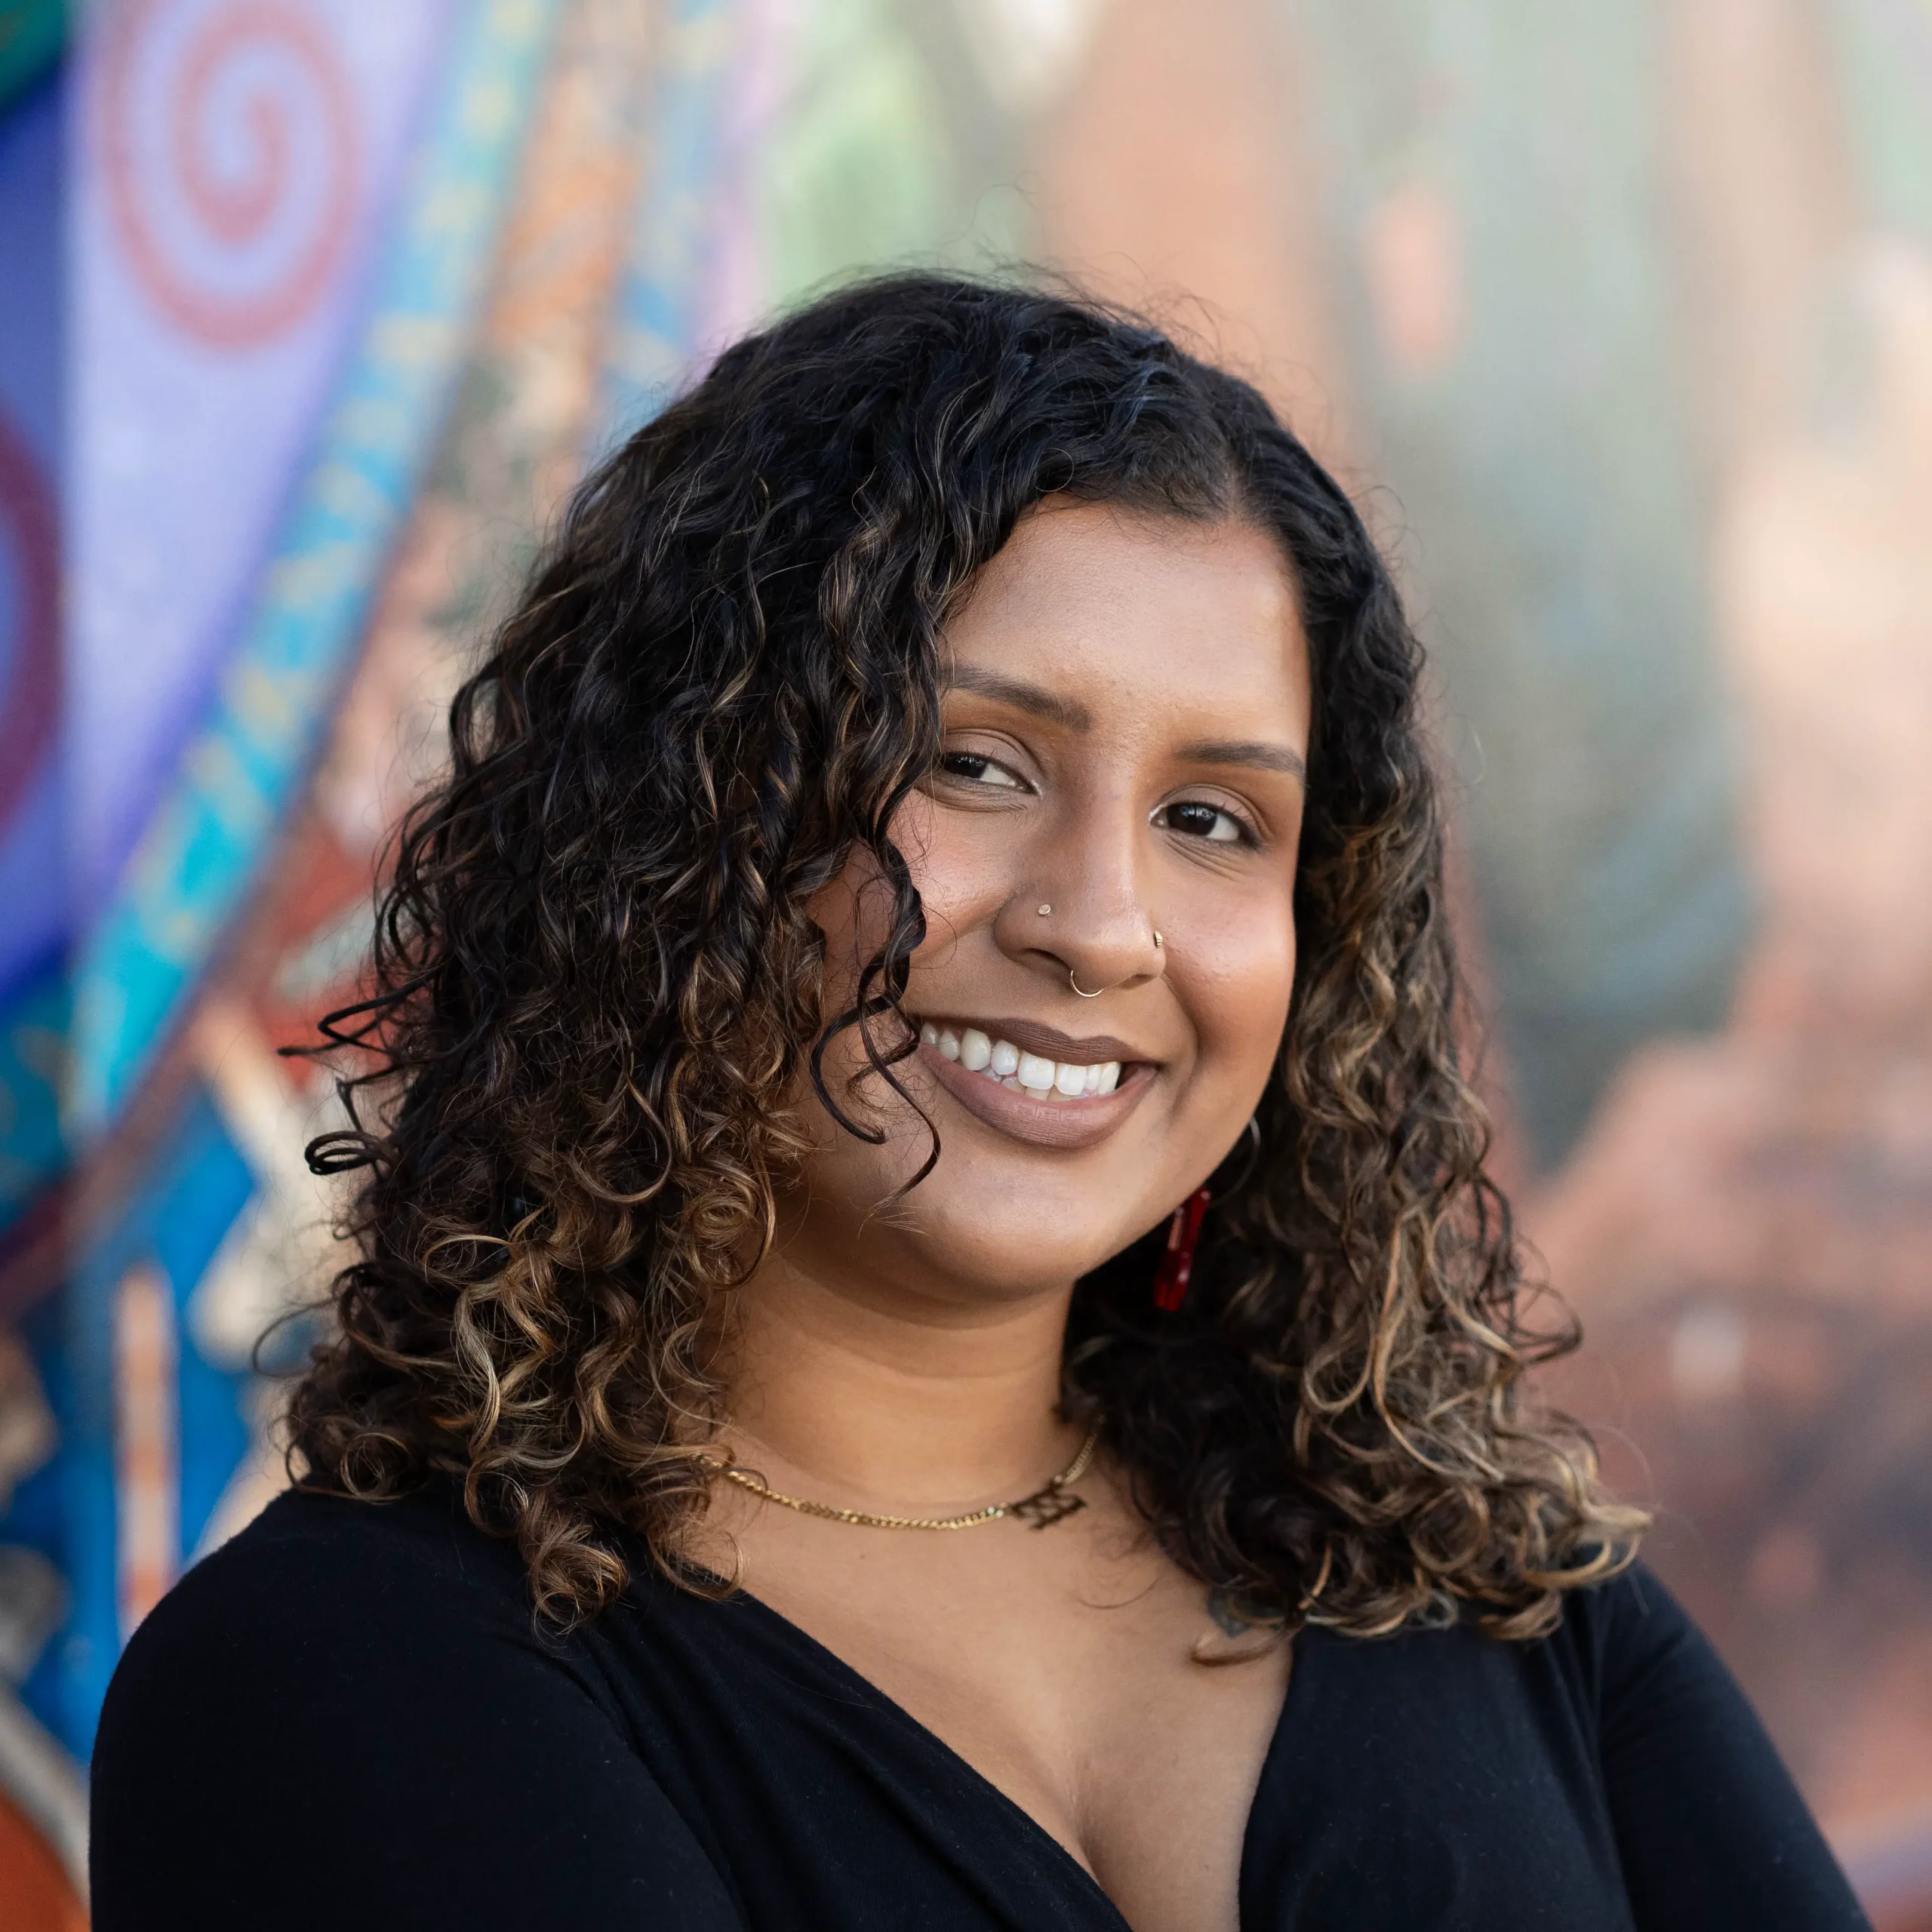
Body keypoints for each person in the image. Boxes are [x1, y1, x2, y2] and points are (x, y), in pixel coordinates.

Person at [88, 276, 1869, 1931]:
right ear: (676, 827)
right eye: (973, 762)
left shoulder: (1500, 1596)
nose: (1098, 924)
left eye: (1211, 818)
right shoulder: (344, 1668)